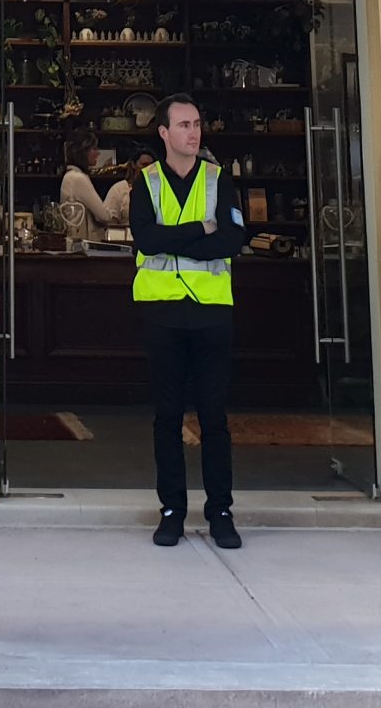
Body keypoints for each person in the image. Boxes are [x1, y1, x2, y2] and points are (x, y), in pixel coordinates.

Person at [131, 92, 246, 550]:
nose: (193, 132)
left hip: (212, 313)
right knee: (167, 418)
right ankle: (172, 512)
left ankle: (221, 513)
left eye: (197, 124)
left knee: (215, 418)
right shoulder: (147, 181)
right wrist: (202, 229)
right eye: (183, 125)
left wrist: (174, 241)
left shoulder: (220, 179)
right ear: (163, 133)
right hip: (162, 314)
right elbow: (145, 237)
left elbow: (233, 240)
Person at [58, 126, 131, 235]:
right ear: (83, 151)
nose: (98, 153)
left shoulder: (69, 176)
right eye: (94, 149)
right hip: (84, 243)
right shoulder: (78, 178)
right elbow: (103, 216)